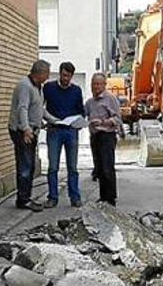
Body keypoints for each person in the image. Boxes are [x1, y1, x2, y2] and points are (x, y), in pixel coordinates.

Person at [8, 60, 50, 212]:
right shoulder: (25, 86)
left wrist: (53, 120)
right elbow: (22, 108)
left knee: (30, 165)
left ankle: (25, 197)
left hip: (32, 130)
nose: (48, 77)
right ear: (39, 74)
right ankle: (23, 200)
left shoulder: (38, 86)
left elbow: (39, 108)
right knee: (25, 166)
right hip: (22, 132)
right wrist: (26, 129)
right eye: (46, 74)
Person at [43, 62, 85, 208]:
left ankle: (75, 197)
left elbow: (81, 110)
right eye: (63, 75)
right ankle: (52, 197)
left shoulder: (76, 90)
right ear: (59, 73)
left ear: (72, 76)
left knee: (72, 167)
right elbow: (40, 107)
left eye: (68, 76)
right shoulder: (49, 88)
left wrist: (78, 123)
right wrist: (48, 119)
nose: (65, 78)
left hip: (70, 131)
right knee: (53, 166)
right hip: (54, 130)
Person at [85, 72, 122, 206]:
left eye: (99, 84)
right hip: (95, 136)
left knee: (107, 167)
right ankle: (103, 196)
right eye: (94, 84)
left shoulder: (110, 99)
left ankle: (111, 198)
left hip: (107, 136)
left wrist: (102, 122)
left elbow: (118, 119)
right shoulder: (89, 103)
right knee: (99, 168)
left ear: (104, 85)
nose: (96, 87)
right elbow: (83, 116)